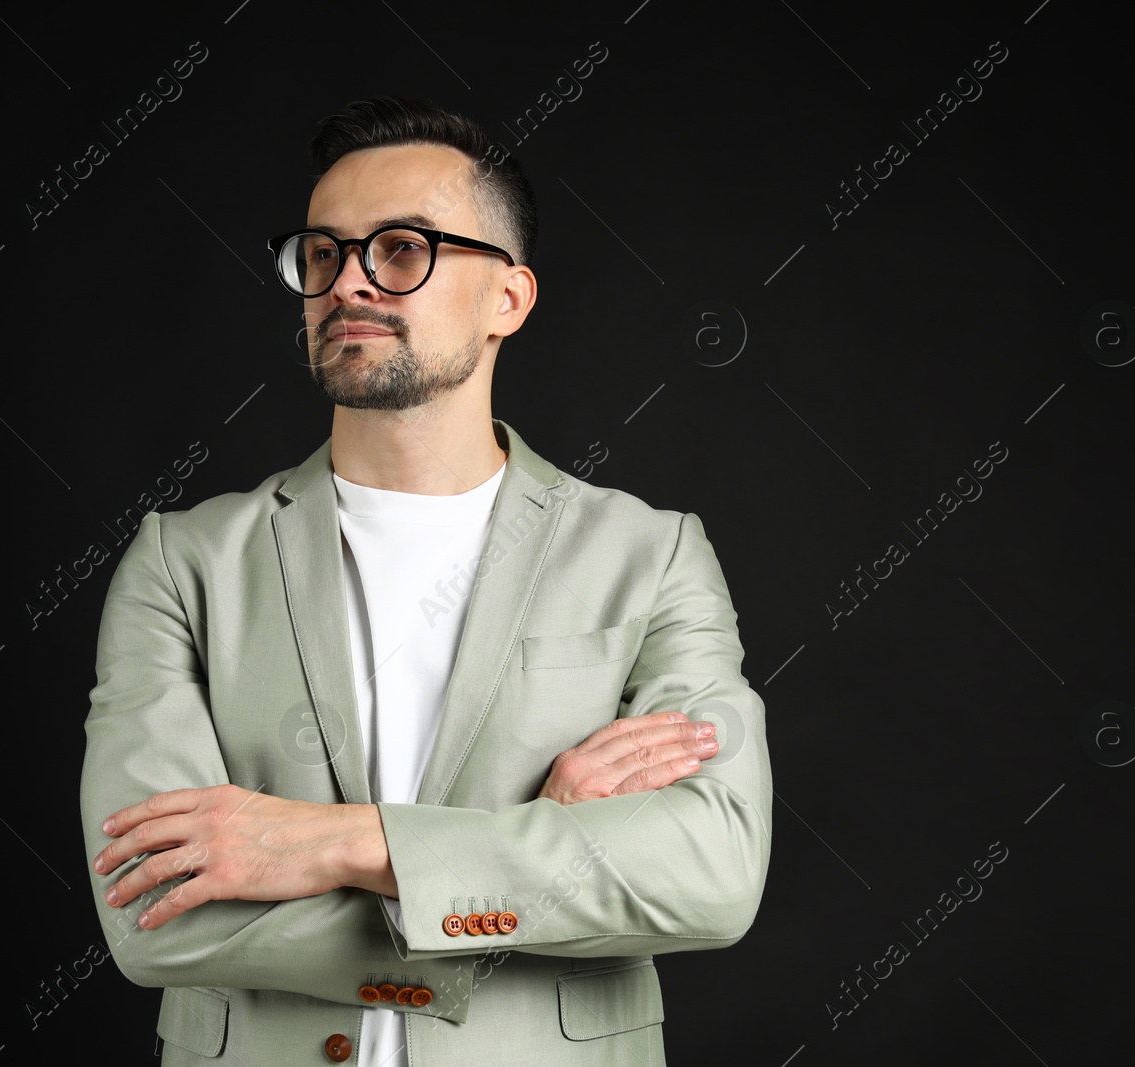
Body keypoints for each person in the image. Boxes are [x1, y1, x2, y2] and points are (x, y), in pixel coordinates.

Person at [79, 95, 771, 1066]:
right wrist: (538, 846)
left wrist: (336, 841)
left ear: (509, 298)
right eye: (324, 253)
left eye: (401, 248)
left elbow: (711, 871)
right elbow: (152, 912)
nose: (349, 282)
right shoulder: (182, 560)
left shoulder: (648, 553)